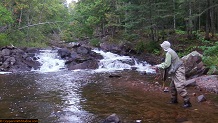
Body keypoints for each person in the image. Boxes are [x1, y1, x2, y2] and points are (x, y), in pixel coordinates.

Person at [153, 41, 192, 108]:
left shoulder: (168, 53)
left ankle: (187, 102)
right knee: (172, 86)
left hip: (179, 70)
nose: (161, 48)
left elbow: (166, 64)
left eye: (162, 47)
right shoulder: (170, 51)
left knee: (179, 86)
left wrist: (157, 66)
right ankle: (174, 100)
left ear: (164, 47)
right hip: (175, 69)